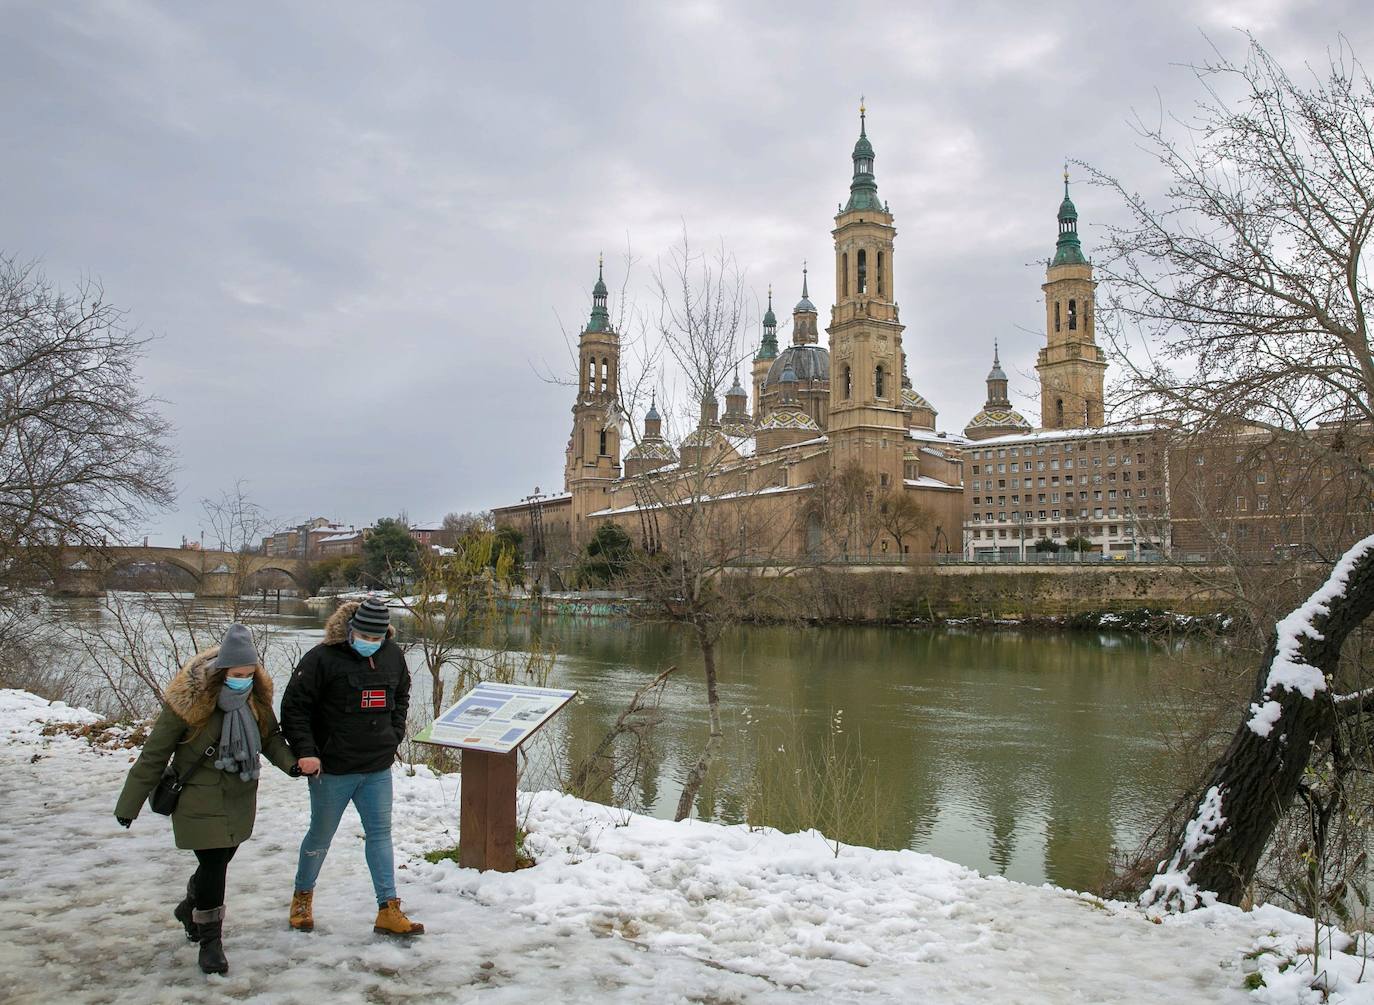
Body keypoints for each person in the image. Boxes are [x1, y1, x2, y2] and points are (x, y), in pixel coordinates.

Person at [115, 624, 299, 975]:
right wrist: (129, 805)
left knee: (220, 860)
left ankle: (190, 906)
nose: (242, 680)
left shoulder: (255, 699)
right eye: (236, 674)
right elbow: (155, 754)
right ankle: (211, 941)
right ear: (220, 672)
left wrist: (290, 764)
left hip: (240, 796)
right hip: (198, 796)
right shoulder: (190, 703)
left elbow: (271, 738)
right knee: (215, 864)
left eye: (248, 674)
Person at [280, 593, 423, 937]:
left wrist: (395, 732)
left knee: (380, 835)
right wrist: (307, 751)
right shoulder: (321, 659)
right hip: (332, 769)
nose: (370, 644)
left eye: (377, 638)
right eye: (365, 637)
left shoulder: (392, 655)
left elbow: (401, 694)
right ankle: (302, 898)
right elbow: (294, 708)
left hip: (376, 766)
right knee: (321, 834)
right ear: (351, 630)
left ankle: (388, 908)